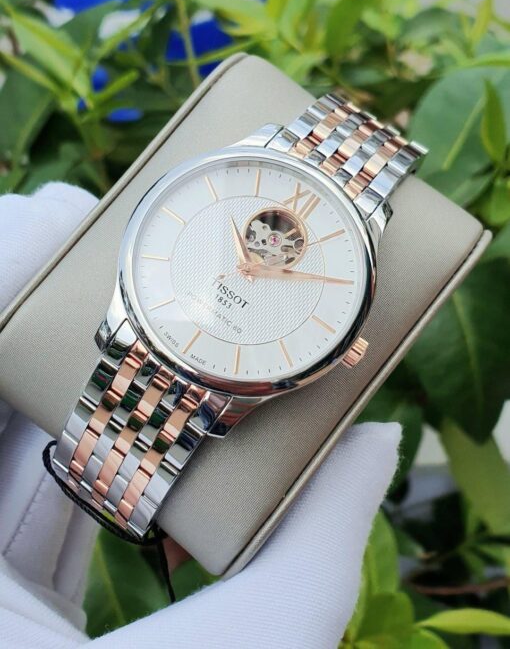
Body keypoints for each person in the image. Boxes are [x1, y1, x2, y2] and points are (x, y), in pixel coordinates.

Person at [0, 183, 401, 648]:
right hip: (144, 331)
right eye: (251, 251)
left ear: (346, 349)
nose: (252, 266)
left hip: (224, 388)